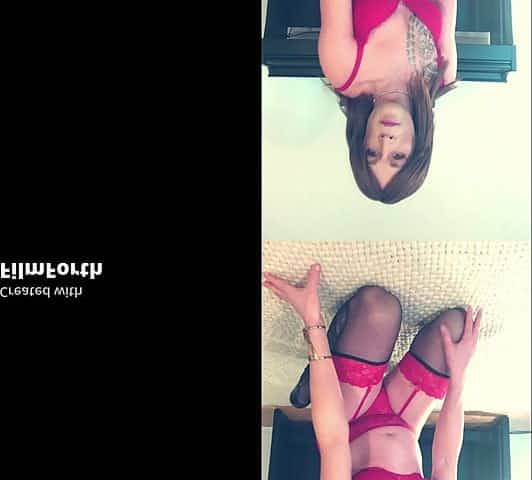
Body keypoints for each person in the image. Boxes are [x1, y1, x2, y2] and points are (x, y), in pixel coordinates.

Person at [263, 263, 481, 480]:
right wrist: (459, 375)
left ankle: (319, 371)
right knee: (457, 327)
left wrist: (312, 321)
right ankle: (358, 367)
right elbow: (445, 464)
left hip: (349, 420)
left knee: (379, 307)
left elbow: (334, 442)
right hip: (404, 419)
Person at [319, 0, 458, 203]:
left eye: (372, 152)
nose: (386, 141)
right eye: (397, 156)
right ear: (419, 148)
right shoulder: (444, 75)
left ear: (362, 141)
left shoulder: (343, 70)